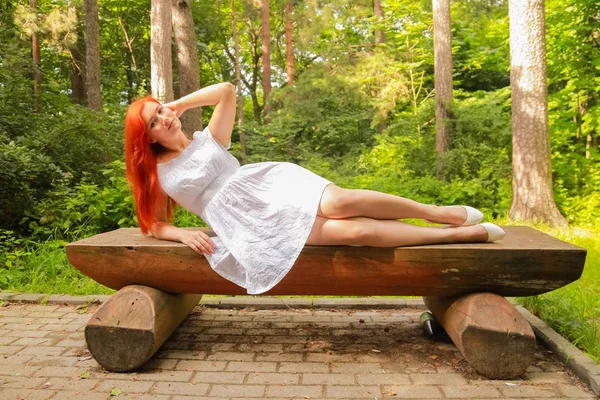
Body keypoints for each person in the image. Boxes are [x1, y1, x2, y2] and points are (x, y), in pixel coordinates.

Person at [124, 82, 505, 295]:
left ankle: (437, 213)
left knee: (342, 202)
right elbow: (153, 224)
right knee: (356, 231)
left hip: (269, 184)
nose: (165, 119)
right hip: (253, 224)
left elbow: (225, 90)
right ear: (147, 137)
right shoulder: (156, 174)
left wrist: (173, 102)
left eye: (161, 111)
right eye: (154, 121)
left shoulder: (209, 140)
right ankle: (458, 235)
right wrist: (182, 234)